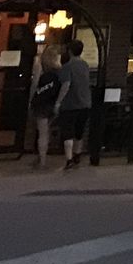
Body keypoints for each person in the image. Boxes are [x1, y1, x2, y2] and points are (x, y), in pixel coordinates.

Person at [54, 39, 93, 171]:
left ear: (69, 51)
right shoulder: (85, 65)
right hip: (85, 102)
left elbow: (66, 84)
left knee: (68, 132)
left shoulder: (67, 67)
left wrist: (58, 101)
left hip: (70, 104)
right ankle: (78, 155)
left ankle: (69, 159)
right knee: (79, 132)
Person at [27, 46, 62, 170]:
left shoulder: (40, 67)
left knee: (42, 132)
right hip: (53, 102)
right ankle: (42, 157)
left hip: (41, 103)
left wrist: (31, 100)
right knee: (46, 131)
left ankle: (42, 160)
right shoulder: (59, 70)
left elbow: (35, 84)